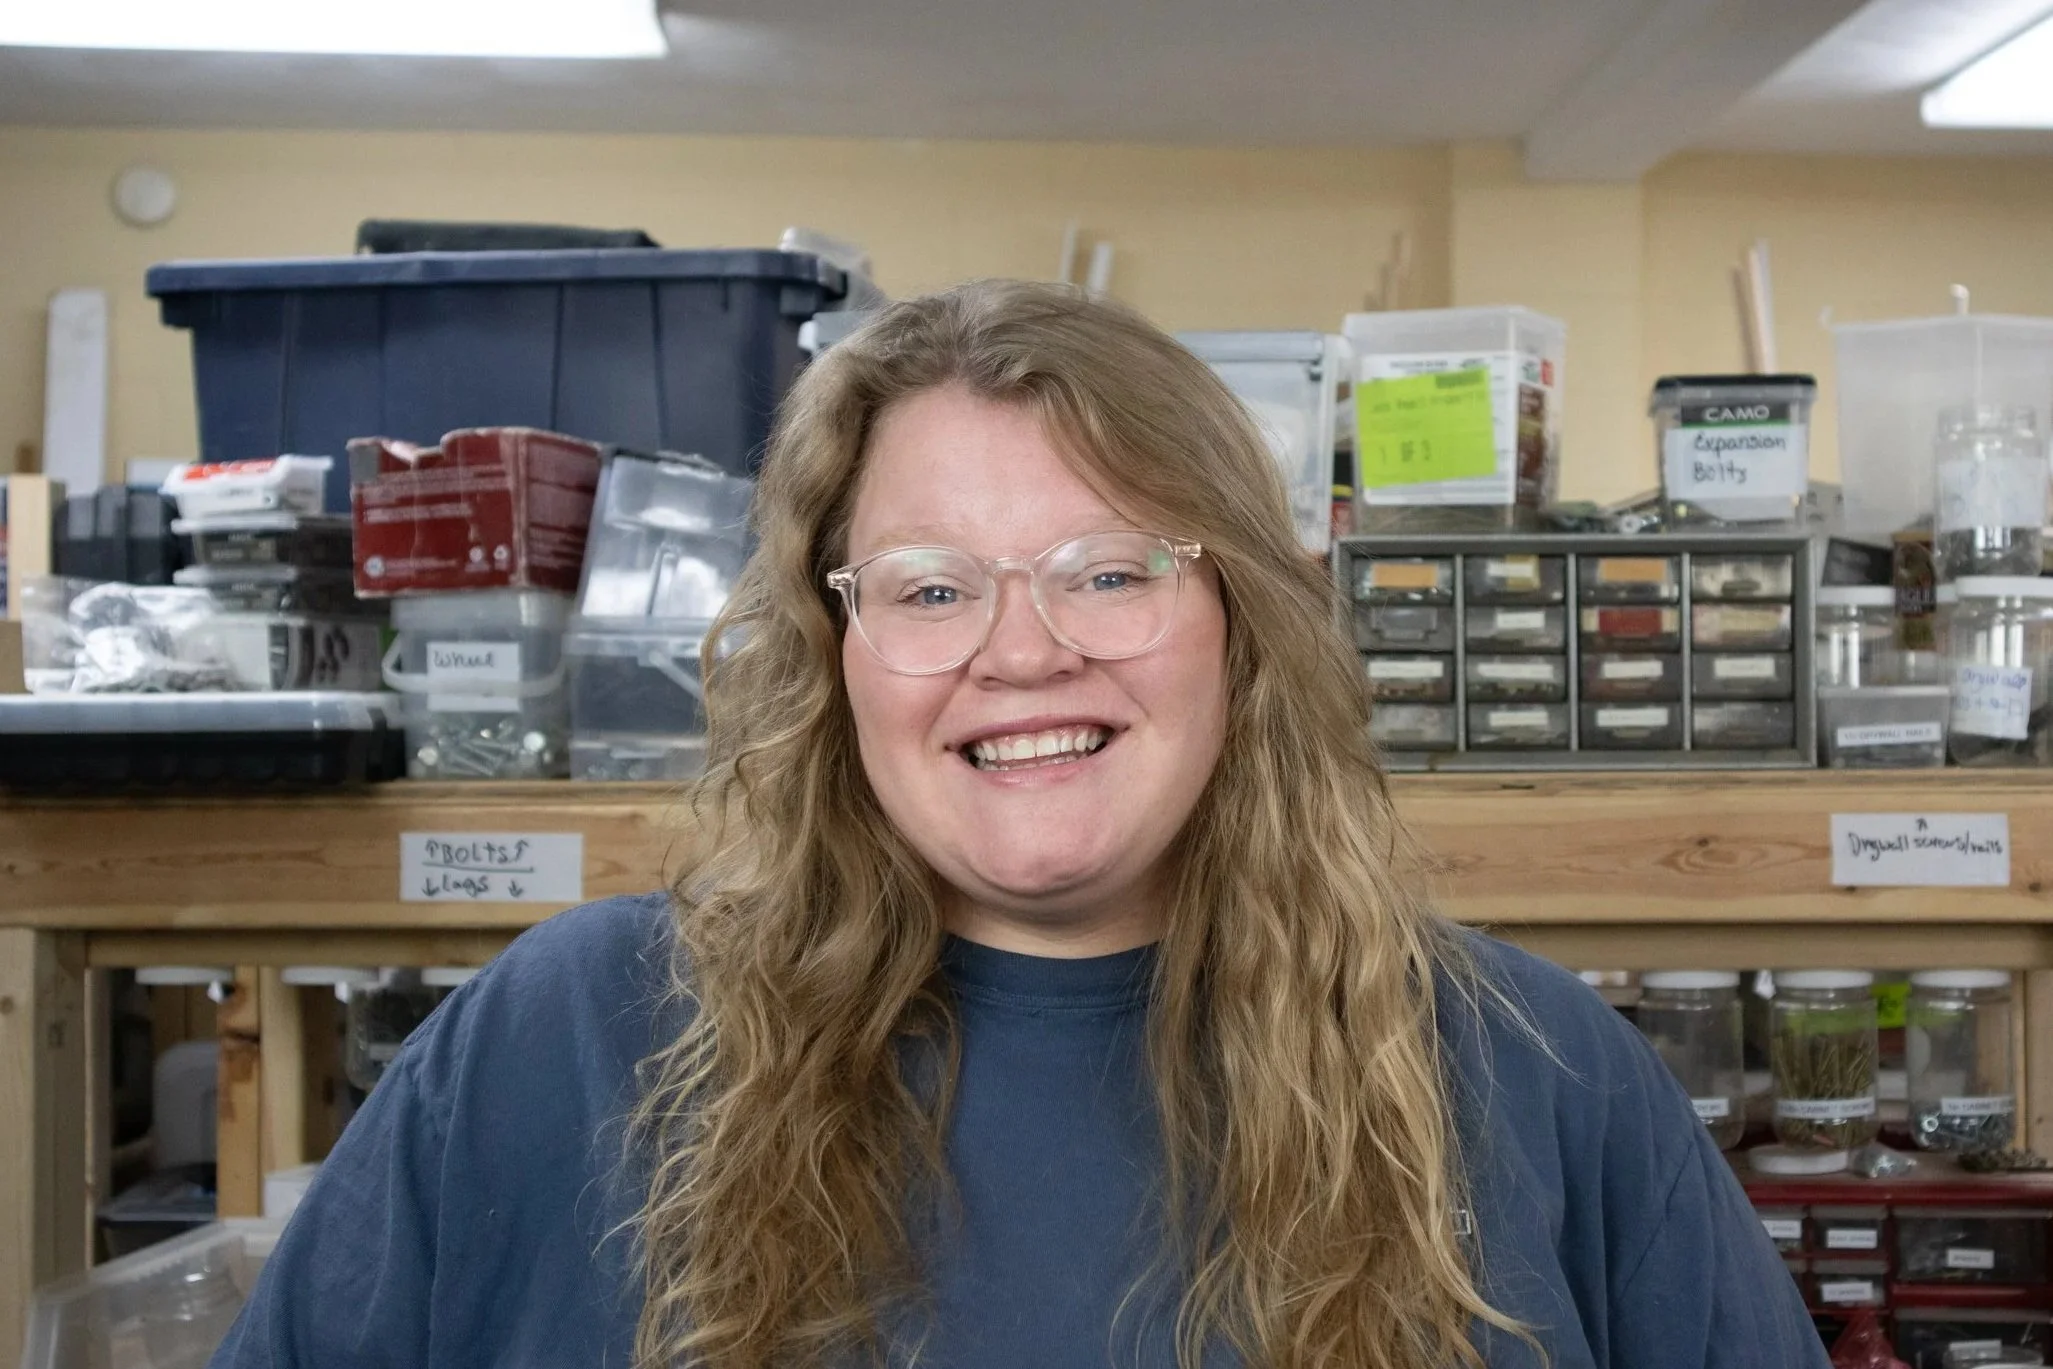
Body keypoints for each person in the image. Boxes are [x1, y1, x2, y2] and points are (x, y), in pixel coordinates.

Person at [212, 280, 1825, 1369]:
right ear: (832, 652)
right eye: (929, 588)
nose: (1022, 650)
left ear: (1243, 623)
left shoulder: (1535, 1075)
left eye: (1108, 569)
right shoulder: (558, 1043)